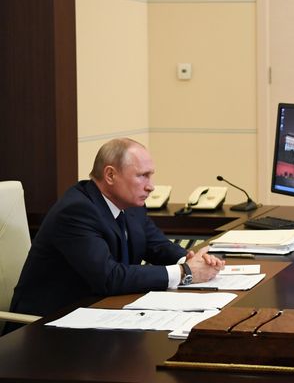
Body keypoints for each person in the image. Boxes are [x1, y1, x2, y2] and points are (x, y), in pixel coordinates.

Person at [9, 138, 224, 325]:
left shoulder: (130, 205)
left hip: (99, 314)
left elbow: (156, 245)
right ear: (110, 175)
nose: (151, 186)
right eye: (142, 176)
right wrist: (185, 272)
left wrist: (191, 259)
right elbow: (109, 277)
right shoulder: (76, 210)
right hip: (48, 325)